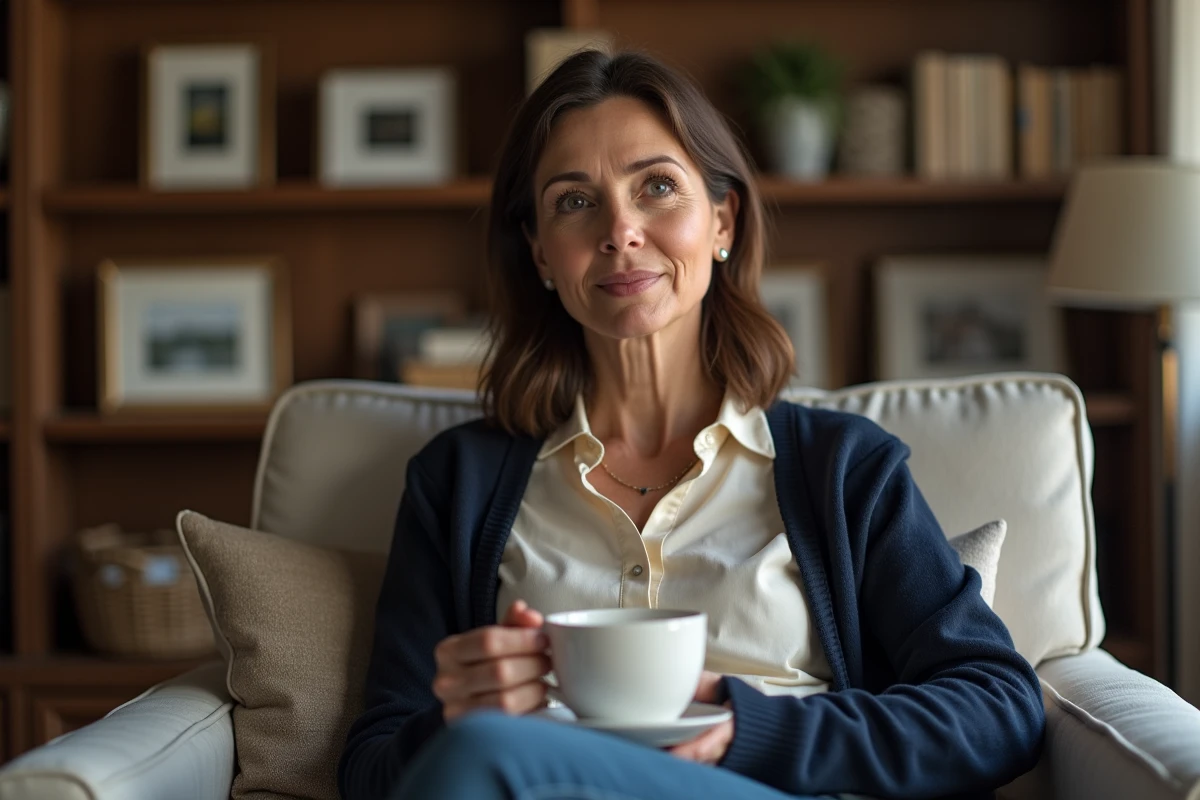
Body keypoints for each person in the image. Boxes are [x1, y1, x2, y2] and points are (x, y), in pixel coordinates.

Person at [338, 49, 1044, 800]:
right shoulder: (458, 481)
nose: (620, 231)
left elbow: (999, 707)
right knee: (475, 751)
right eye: (574, 201)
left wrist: (750, 732)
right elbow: (371, 769)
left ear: (722, 219)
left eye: (658, 188)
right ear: (541, 252)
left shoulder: (843, 468)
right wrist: (452, 717)